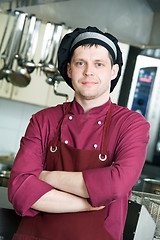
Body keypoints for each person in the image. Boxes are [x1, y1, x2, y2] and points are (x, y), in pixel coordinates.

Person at [8, 26, 150, 240]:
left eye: (99, 64)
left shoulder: (131, 124)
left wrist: (46, 176)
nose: (88, 72)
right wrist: (89, 202)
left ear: (113, 71)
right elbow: (19, 190)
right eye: (80, 63)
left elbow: (116, 184)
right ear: (69, 70)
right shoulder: (44, 120)